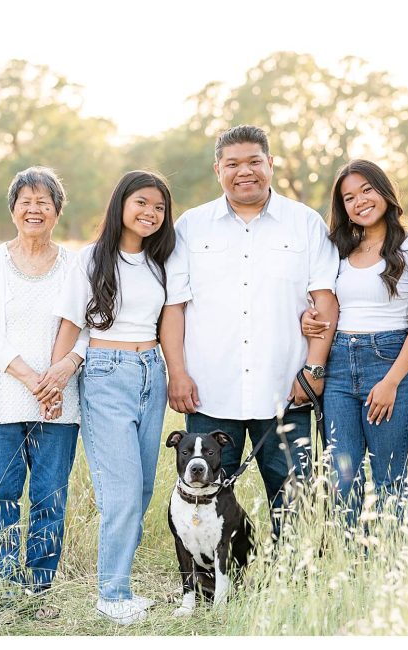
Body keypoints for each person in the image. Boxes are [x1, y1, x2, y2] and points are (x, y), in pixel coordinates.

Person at [160, 124, 340, 537]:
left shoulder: (304, 223)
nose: (245, 171)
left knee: (295, 497)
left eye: (254, 162)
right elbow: (174, 306)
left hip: (286, 390)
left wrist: (313, 369)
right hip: (210, 390)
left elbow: (325, 300)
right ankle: (213, 587)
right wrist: (178, 372)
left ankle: (292, 584)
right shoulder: (192, 226)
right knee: (204, 500)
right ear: (217, 169)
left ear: (270, 164)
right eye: (233, 163)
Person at [43, 170, 182, 625]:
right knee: (120, 492)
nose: (150, 213)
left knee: (141, 488)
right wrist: (55, 384)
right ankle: (112, 593)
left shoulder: (162, 261)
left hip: (152, 372)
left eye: (159, 208)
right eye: (141, 202)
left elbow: (170, 324)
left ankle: (118, 585)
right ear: (121, 204)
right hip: (106, 374)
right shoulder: (92, 259)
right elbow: (70, 325)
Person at [0, 167, 84, 615]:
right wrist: (33, 379)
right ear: (12, 209)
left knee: (50, 497)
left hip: (58, 403)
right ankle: (5, 593)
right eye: (25, 202)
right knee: (0, 497)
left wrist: (64, 368)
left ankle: (40, 592)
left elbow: (90, 327)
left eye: (43, 202)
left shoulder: (76, 265)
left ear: (56, 211)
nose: (34, 209)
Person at [302, 160, 408, 526]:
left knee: (389, 480)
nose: (359, 201)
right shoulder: (338, 249)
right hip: (340, 369)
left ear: (384, 191)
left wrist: (391, 382)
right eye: (349, 197)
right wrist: (307, 315)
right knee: (343, 479)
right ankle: (353, 568)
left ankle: (389, 570)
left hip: (390, 361)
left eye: (366, 190)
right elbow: (320, 300)